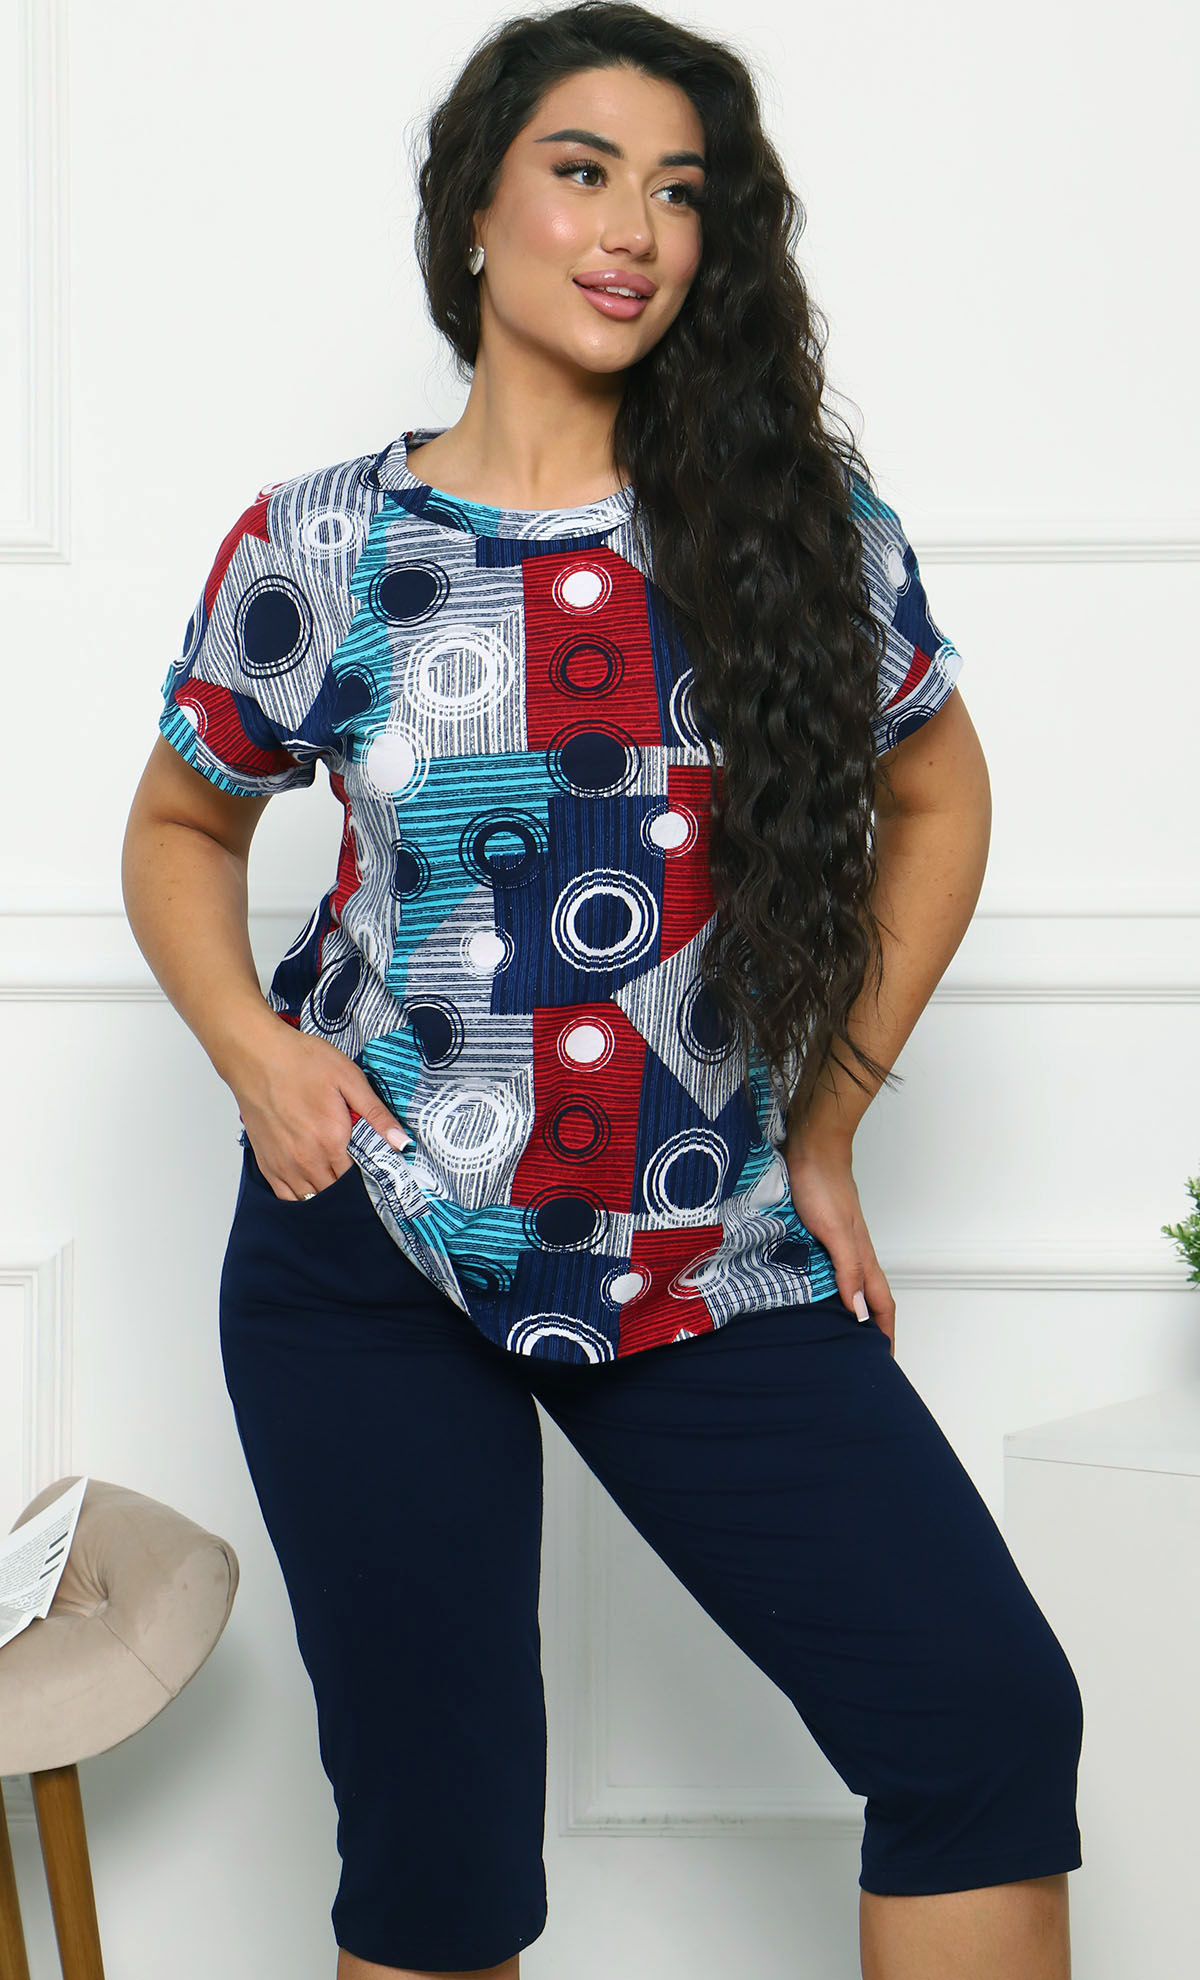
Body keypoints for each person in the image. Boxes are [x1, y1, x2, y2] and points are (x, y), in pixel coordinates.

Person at [121, 6, 1083, 1977]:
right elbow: (178, 827)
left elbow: (940, 794)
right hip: (369, 1250)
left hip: (701, 1238)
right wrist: (257, 1053)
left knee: (979, 1722)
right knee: (440, 1848)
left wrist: (828, 1120)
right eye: (583, 171)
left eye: (681, 191)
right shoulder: (319, 543)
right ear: (477, 210)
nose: (634, 225)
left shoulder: (794, 531)